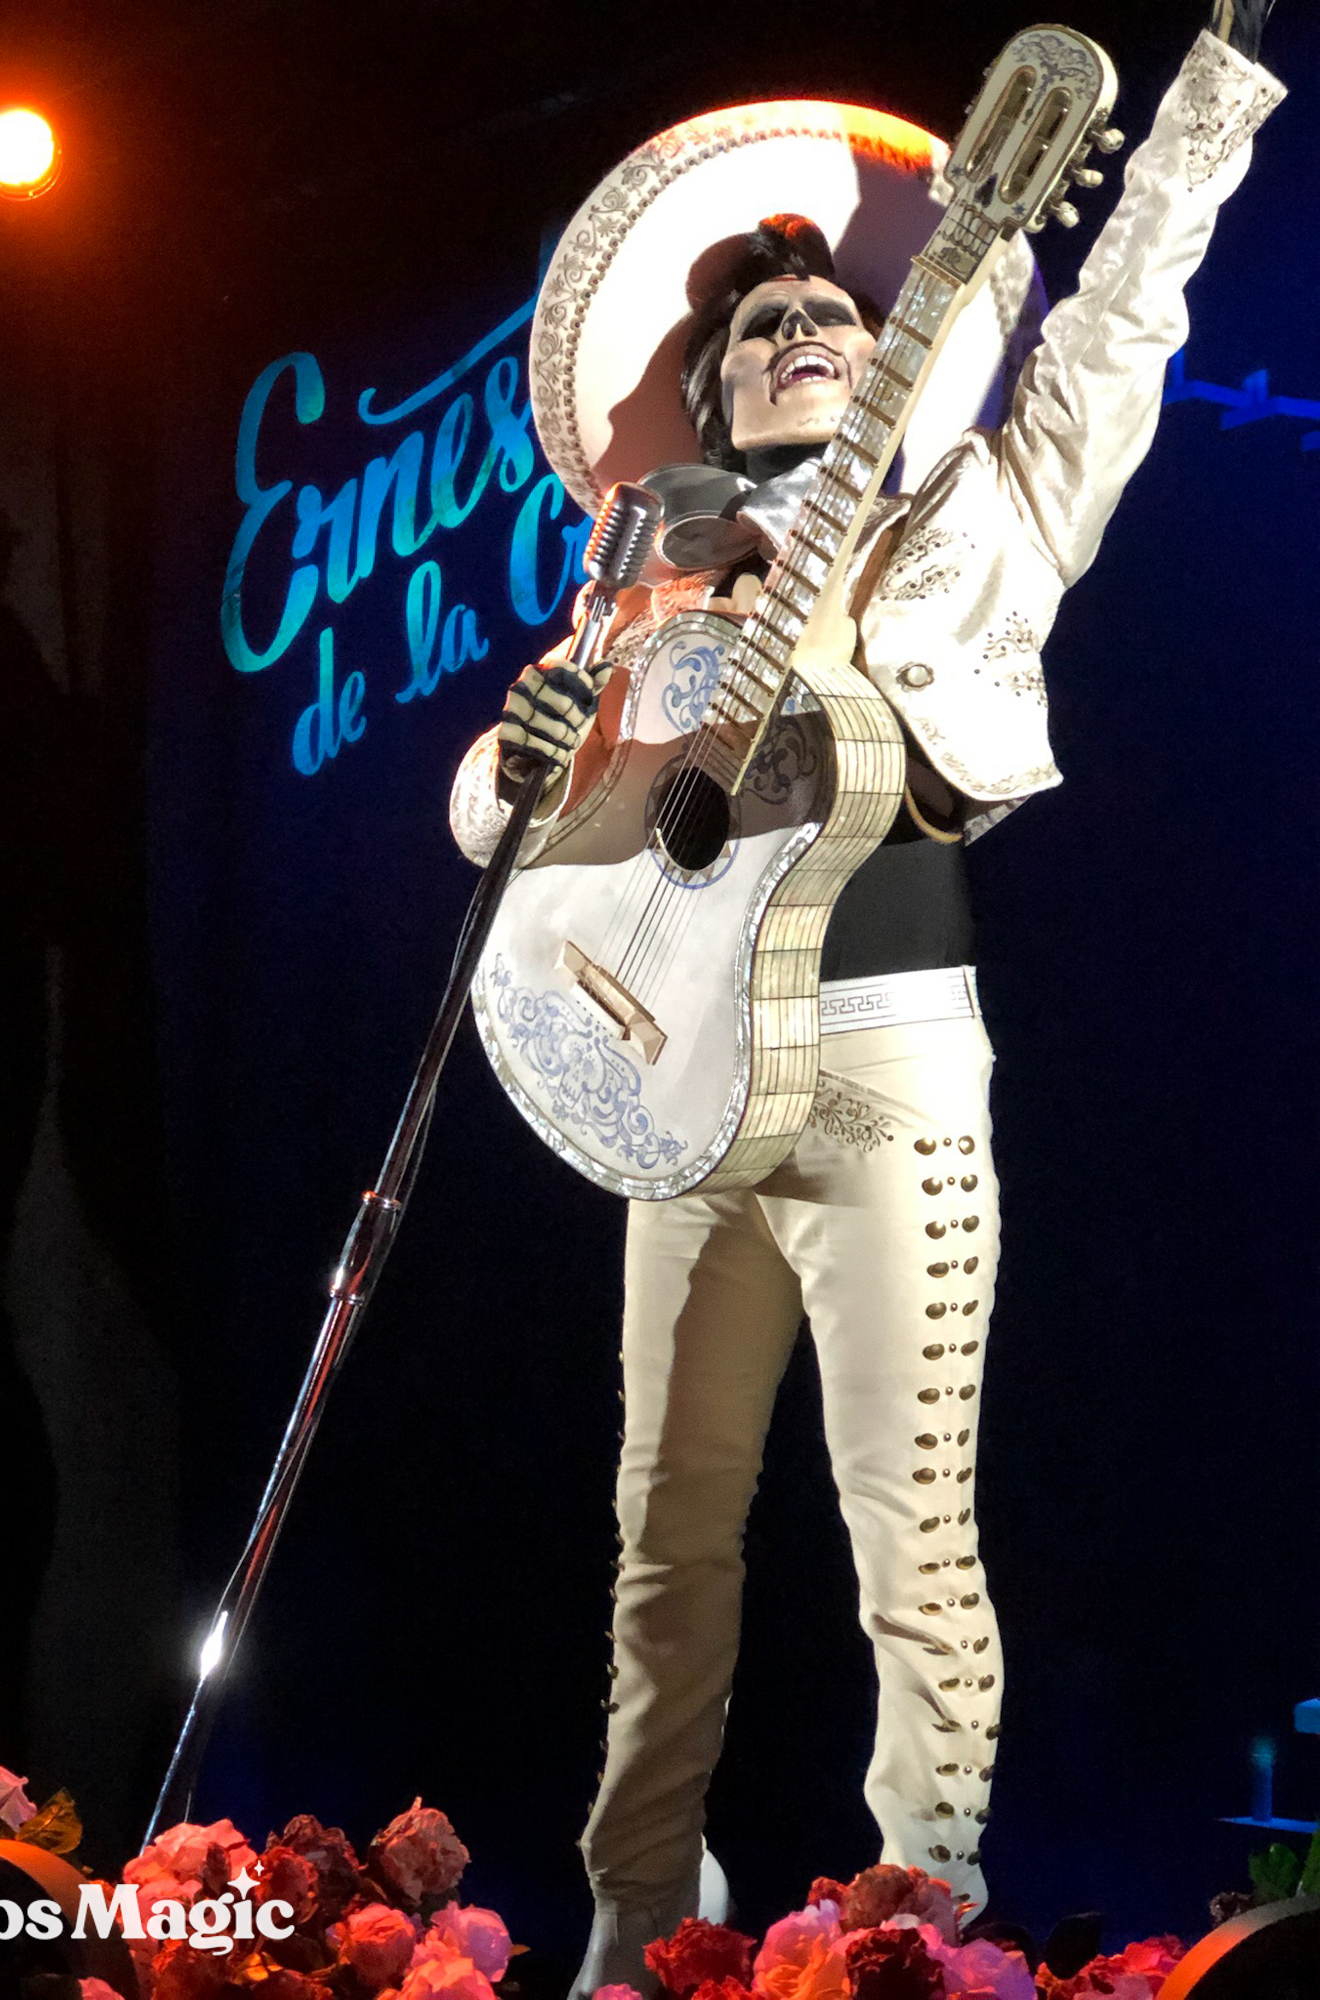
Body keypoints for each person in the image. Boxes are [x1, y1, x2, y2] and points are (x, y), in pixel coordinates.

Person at [448, 6, 1284, 1991]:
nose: (802, 326)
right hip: (673, 1087)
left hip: (891, 1062)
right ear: (717, 395)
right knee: (668, 1544)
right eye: (757, 326)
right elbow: (506, 822)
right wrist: (517, 749)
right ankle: (642, 1913)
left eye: (826, 305)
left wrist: (1210, 93)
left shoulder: (979, 518)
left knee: (909, 1531)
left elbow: (1129, 309)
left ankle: (921, 1927)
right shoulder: (647, 578)